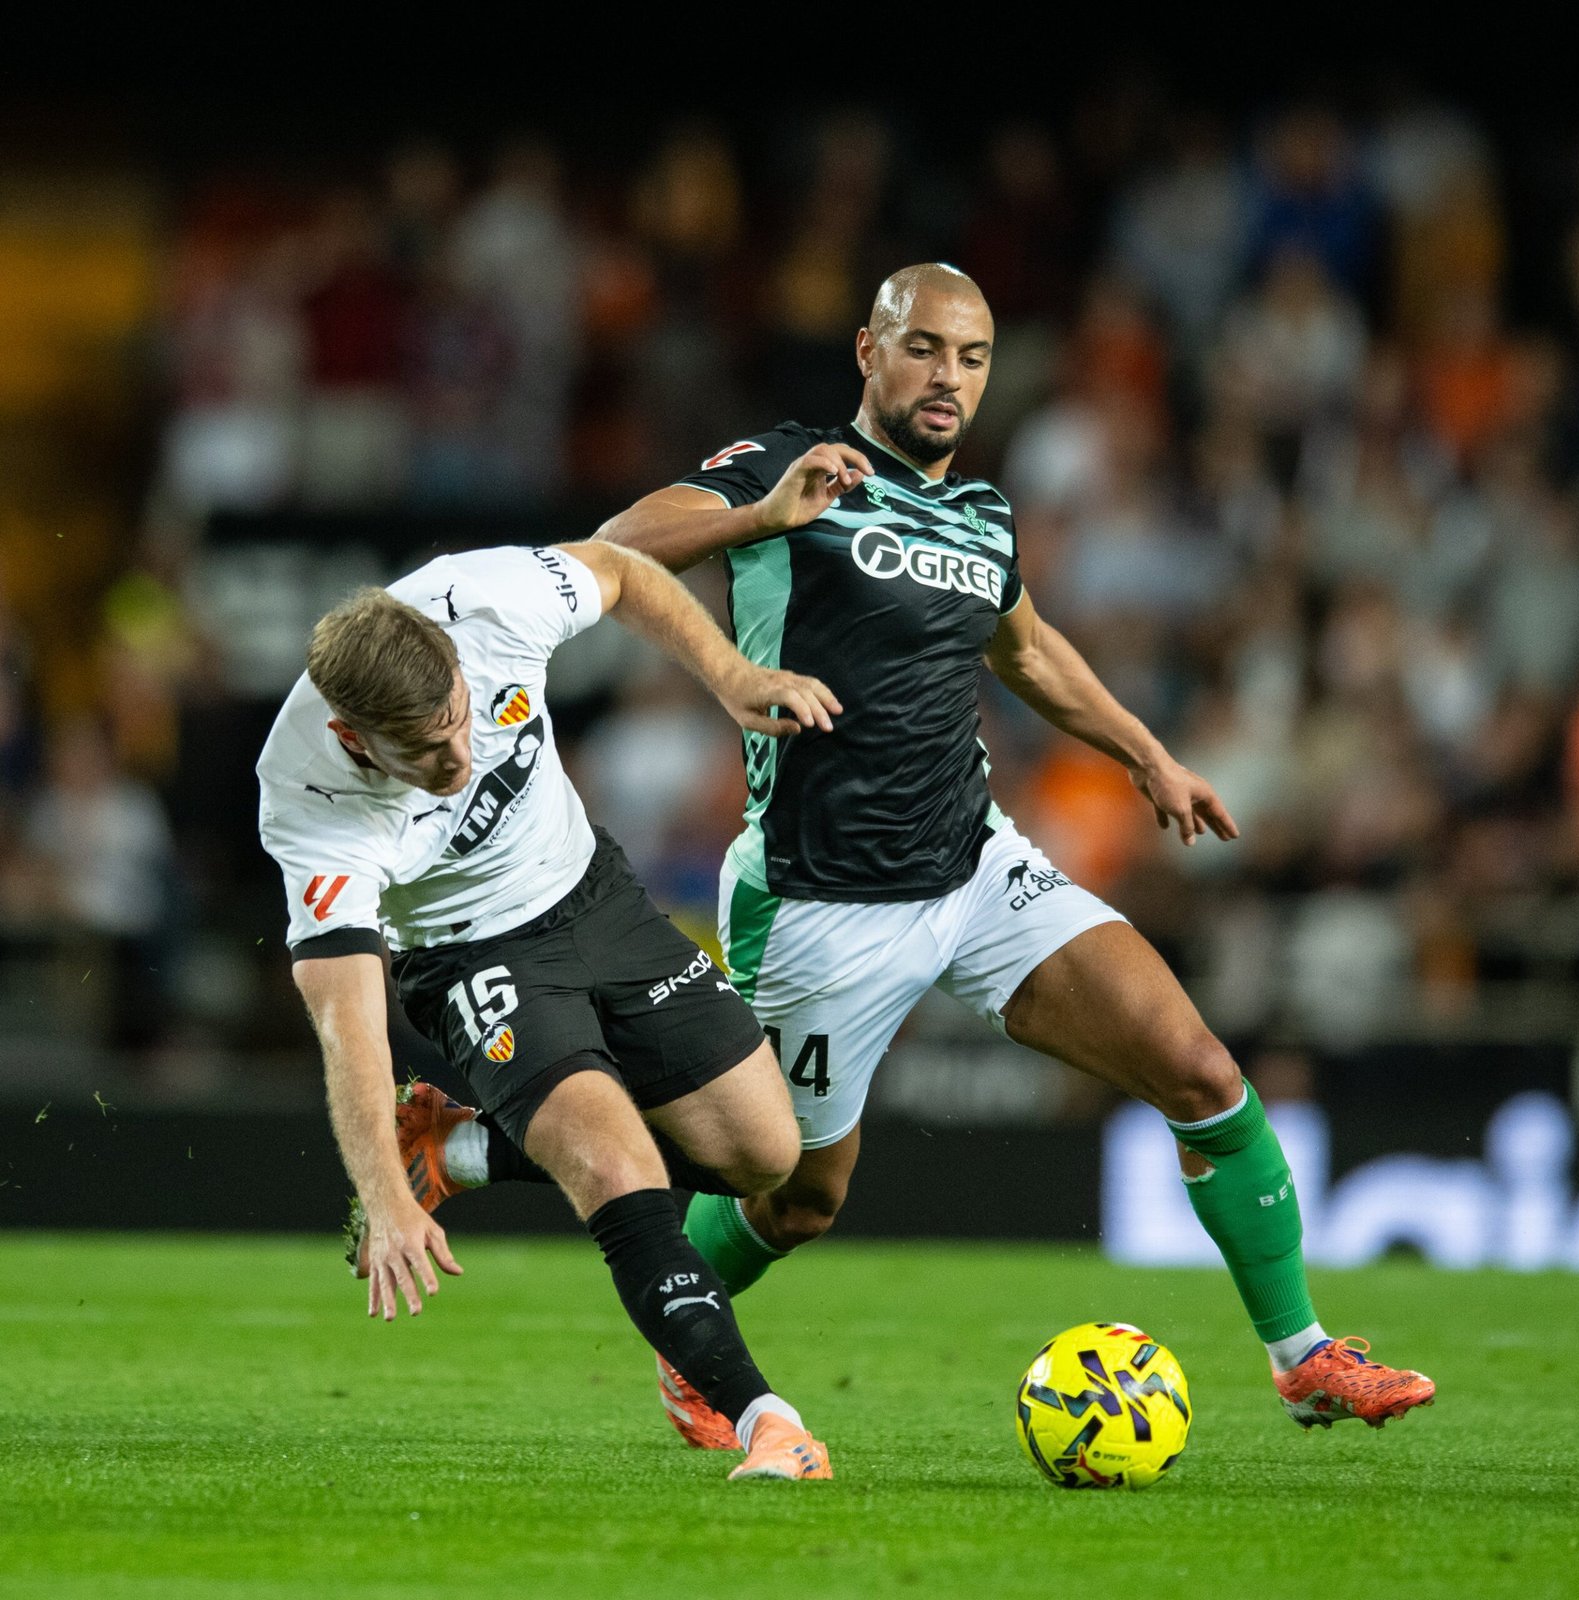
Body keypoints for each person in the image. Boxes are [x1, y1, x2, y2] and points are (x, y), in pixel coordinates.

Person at [409, 264, 1435, 1441]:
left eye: (973, 356)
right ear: (869, 350)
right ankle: (480, 1154)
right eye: (925, 348)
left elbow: (1027, 651)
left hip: (977, 863)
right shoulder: (785, 464)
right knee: (789, 1189)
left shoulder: (983, 513)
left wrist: (1147, 755)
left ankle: (1303, 1356)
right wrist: (761, 516)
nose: (949, 376)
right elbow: (608, 553)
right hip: (821, 899)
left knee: (1198, 1069)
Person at [256, 539, 839, 1480]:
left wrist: (730, 675)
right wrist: (384, 1197)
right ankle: (765, 1421)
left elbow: (624, 566)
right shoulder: (309, 802)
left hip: (594, 893)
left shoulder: (485, 600)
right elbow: (347, 1022)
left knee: (766, 1156)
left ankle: (459, 1148)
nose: (460, 758)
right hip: (471, 955)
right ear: (355, 741)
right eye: (425, 752)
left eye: (461, 721)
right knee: (614, 1165)